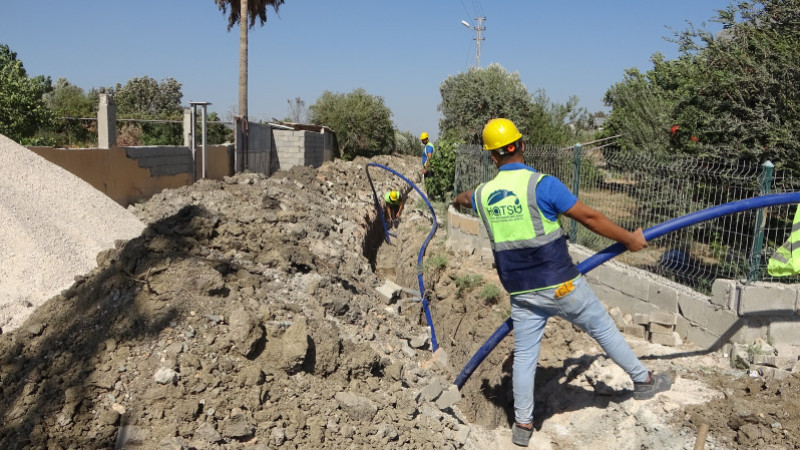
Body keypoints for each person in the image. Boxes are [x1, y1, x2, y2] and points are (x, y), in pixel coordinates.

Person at [450, 118, 672, 447]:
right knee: (602, 327)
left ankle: (523, 425)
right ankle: (643, 380)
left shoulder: (483, 195)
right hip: (561, 285)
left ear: (492, 157)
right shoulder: (543, 185)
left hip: (522, 292)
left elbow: (468, 196)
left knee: (525, 356)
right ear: (521, 145)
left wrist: (457, 198)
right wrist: (629, 239)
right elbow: (590, 217)